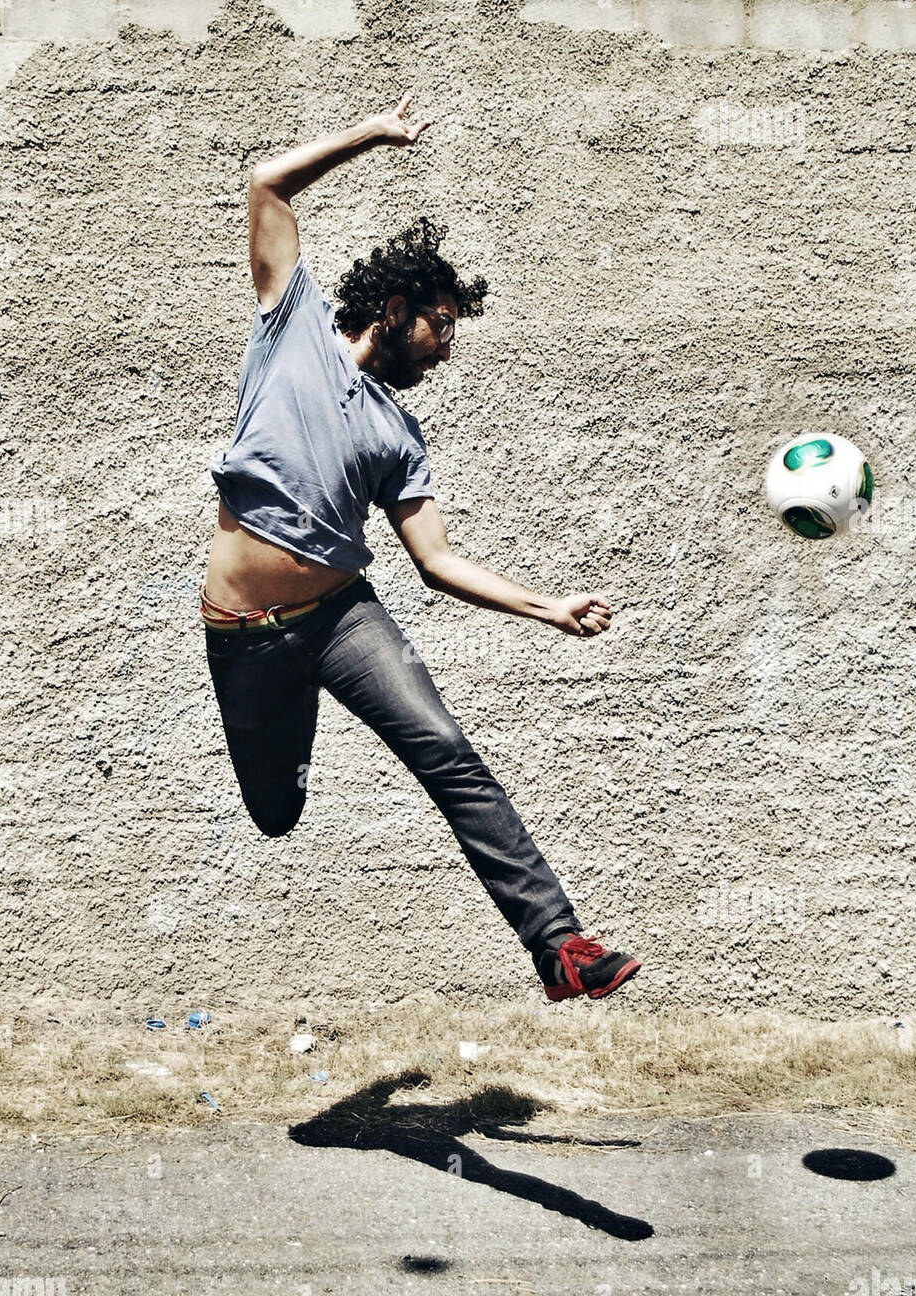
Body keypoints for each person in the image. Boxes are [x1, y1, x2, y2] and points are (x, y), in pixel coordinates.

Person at [200, 93, 640, 1002]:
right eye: (440, 325)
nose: (443, 349)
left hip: (342, 619)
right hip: (244, 629)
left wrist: (547, 606)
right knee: (276, 812)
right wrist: (373, 134)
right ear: (396, 308)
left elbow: (437, 563)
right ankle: (291, 745)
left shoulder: (399, 437)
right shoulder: (293, 327)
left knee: (447, 748)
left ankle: (558, 945)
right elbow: (266, 182)